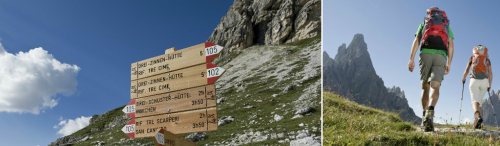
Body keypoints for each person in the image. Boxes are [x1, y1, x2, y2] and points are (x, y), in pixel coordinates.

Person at [408, 6, 454, 132]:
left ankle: (424, 117)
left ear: (429, 14)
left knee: (425, 87)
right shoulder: (446, 25)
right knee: (435, 86)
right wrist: (449, 62)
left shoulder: (424, 23)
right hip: (441, 56)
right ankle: (430, 112)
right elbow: (450, 45)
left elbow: (417, 40)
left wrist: (411, 58)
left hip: (425, 54)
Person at [462, 45, 492, 129]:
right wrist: (489, 84)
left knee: (474, 101)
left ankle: (477, 115)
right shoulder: (487, 60)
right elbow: (490, 73)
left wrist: (463, 79)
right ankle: (476, 123)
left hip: (474, 80)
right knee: (479, 102)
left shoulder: (472, 58)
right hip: (484, 81)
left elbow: (467, 70)